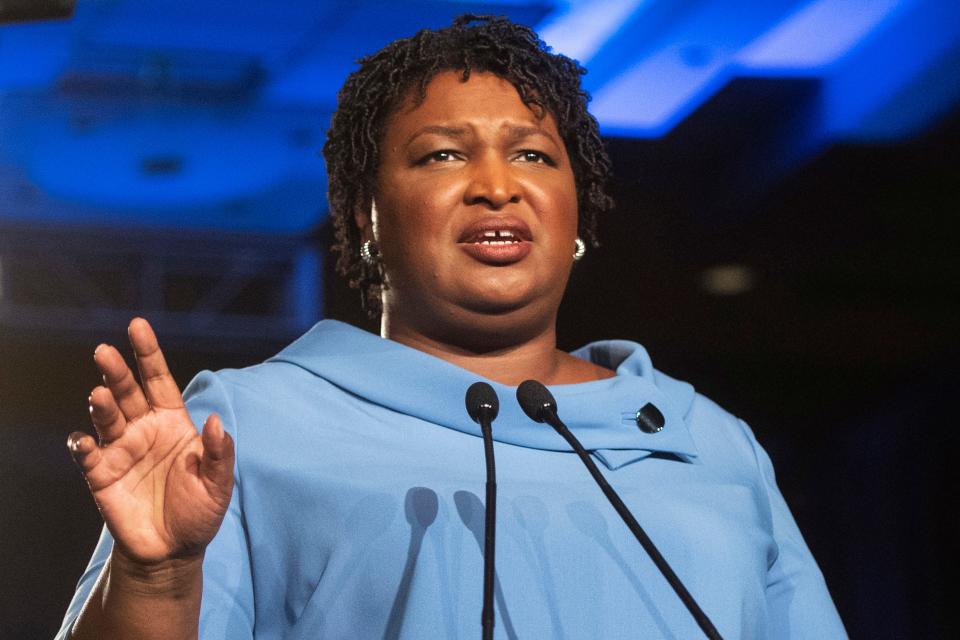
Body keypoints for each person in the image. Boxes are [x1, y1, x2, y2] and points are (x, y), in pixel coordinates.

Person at [57, 15, 846, 640]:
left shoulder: (707, 439)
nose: (497, 187)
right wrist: (156, 581)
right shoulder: (241, 430)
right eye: (440, 156)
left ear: (578, 211)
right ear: (367, 215)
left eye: (535, 156)